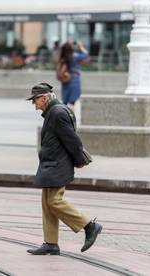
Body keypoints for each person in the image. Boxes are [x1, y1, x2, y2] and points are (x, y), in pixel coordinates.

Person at [26, 83, 102, 255]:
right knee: (47, 204)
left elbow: (73, 141)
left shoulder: (58, 113)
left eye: (35, 100)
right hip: (51, 164)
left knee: (54, 201)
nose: (33, 104)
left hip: (58, 165)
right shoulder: (54, 112)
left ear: (44, 98)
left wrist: (79, 160)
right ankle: (51, 243)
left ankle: (89, 226)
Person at [57, 41, 90, 111]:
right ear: (70, 48)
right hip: (74, 80)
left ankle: (63, 118)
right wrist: (81, 46)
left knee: (65, 102)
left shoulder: (62, 58)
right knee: (72, 102)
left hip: (65, 80)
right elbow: (86, 54)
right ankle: (70, 119)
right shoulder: (75, 56)